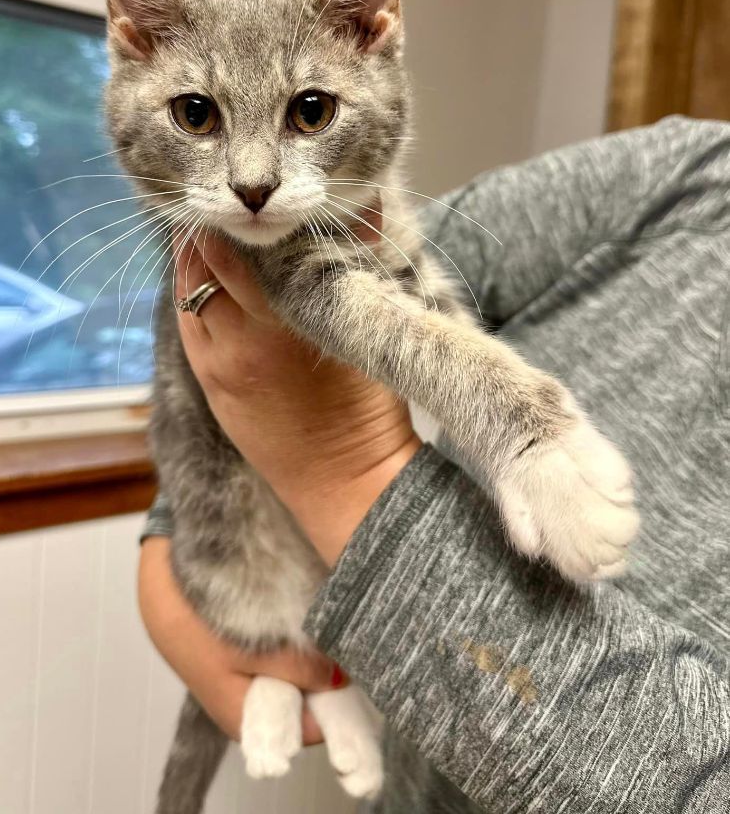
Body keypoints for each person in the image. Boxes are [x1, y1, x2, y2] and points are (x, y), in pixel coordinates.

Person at [139, 116, 730, 812]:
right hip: (267, 580)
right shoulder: (694, 174)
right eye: (199, 114)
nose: (252, 174)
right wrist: (173, 539)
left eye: (307, 111)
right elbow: (348, 269)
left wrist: (348, 465)